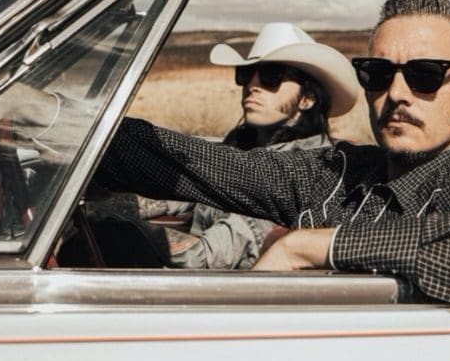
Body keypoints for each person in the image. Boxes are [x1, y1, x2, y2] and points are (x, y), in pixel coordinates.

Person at [0, 0, 450, 316]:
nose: (398, 93)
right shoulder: (335, 174)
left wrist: (313, 247)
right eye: (379, 74)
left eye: (428, 75)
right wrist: (38, 112)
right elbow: (194, 163)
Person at [144, 22, 358, 269]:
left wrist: (121, 225)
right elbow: (181, 189)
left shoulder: (304, 175)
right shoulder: (239, 149)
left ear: (307, 99)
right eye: (245, 74)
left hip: (227, 290)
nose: (252, 86)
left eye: (271, 76)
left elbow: (201, 256)